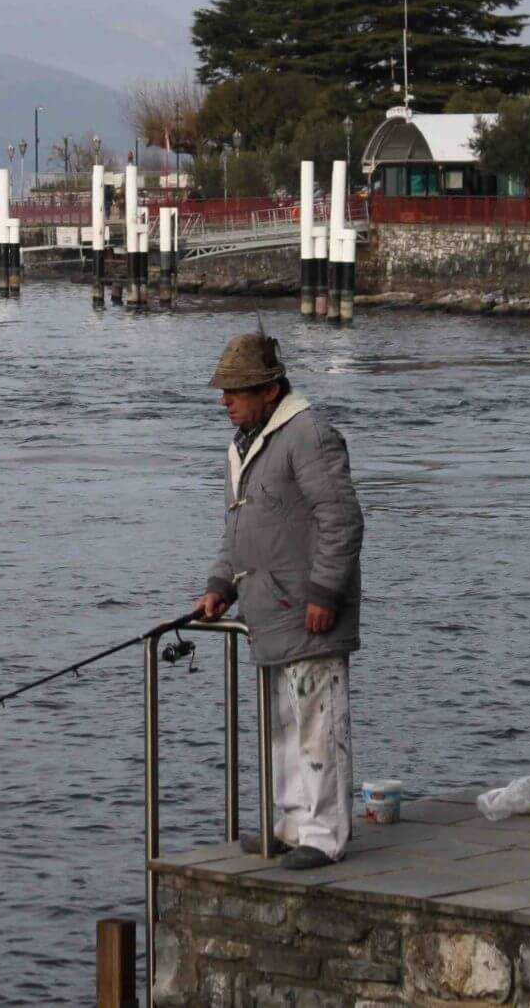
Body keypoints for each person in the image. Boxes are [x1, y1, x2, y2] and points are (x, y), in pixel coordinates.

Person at [192, 331, 363, 871]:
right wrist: (220, 585)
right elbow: (238, 529)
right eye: (224, 391)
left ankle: (324, 834)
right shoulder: (240, 447)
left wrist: (325, 592)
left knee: (317, 724)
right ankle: (291, 824)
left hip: (309, 611)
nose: (225, 401)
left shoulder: (309, 434)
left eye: (236, 391)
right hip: (268, 612)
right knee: (285, 725)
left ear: (270, 391)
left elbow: (341, 519)